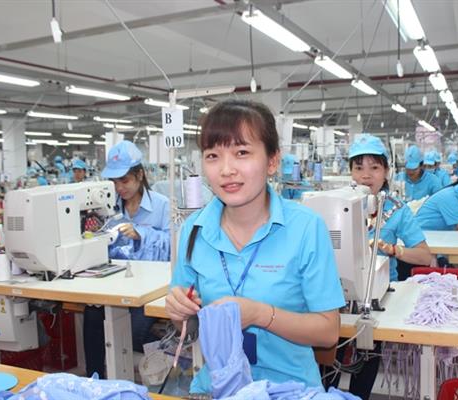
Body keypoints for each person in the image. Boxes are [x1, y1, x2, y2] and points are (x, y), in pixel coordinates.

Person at [165, 100, 345, 393]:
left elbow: (328, 332)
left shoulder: (305, 228)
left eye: (242, 153)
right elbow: (191, 328)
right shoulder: (194, 230)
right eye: (213, 156)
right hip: (218, 388)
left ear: (272, 161)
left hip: (288, 390)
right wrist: (179, 314)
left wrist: (260, 315)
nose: (226, 170)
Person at [325, 135, 431, 399]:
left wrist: (393, 249)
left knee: (367, 356)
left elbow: (424, 256)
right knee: (329, 357)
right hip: (338, 295)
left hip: (376, 298)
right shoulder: (335, 207)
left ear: (386, 172)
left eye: (374, 167)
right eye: (358, 167)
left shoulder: (396, 211)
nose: (366, 175)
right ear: (350, 172)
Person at [83, 140, 171, 379]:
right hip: (116, 283)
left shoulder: (162, 206)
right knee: (92, 315)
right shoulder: (108, 207)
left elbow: (174, 244)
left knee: (131, 332)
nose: (119, 188)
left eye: (124, 180)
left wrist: (142, 234)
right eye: (114, 182)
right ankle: (94, 379)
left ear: (139, 175)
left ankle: (167, 356)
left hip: (150, 288)